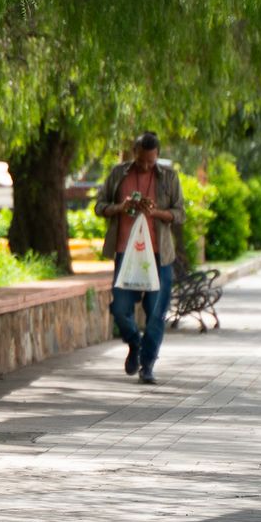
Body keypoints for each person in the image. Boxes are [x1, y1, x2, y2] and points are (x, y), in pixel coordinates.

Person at [96, 131, 185, 386]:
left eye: (151, 161)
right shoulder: (119, 174)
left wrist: (155, 212)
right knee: (121, 309)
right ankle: (135, 343)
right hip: (126, 254)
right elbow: (100, 206)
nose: (147, 165)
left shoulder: (168, 177)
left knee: (156, 312)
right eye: (142, 160)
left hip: (159, 256)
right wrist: (120, 207)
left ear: (157, 156)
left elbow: (180, 214)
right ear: (134, 153)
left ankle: (147, 365)